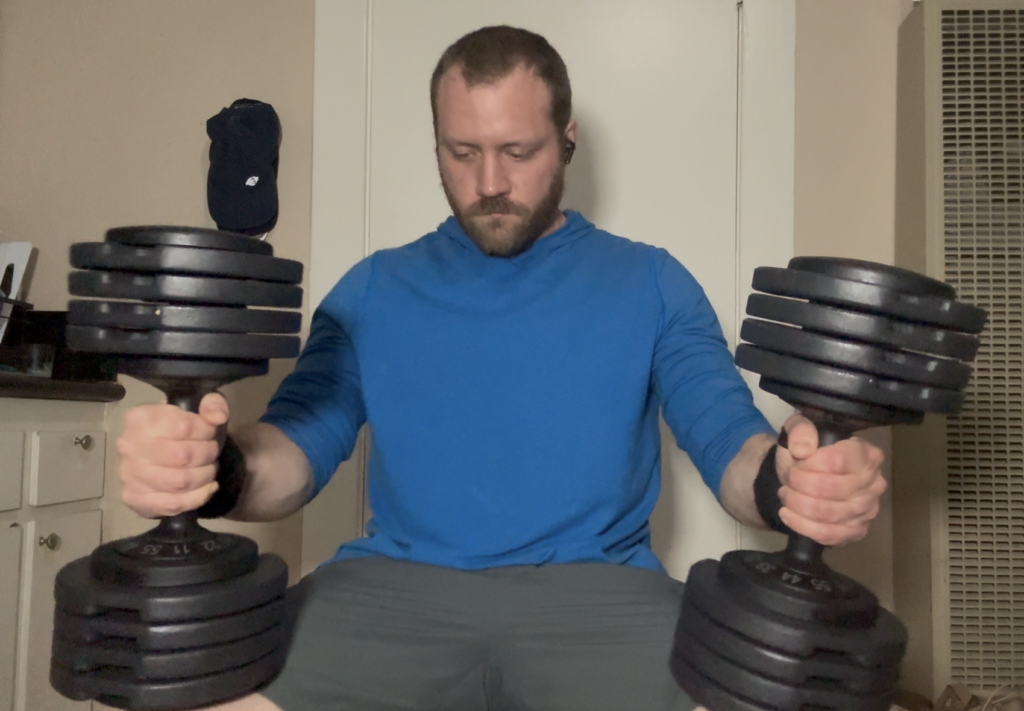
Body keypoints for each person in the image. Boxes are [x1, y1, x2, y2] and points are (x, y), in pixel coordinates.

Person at [117, 25, 887, 711]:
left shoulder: (652, 282)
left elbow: (729, 444)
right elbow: (291, 452)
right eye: (462, 152)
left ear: (566, 139)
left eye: (518, 152)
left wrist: (792, 480)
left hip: (600, 598)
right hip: (390, 596)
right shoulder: (374, 288)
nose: (489, 182)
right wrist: (209, 466)